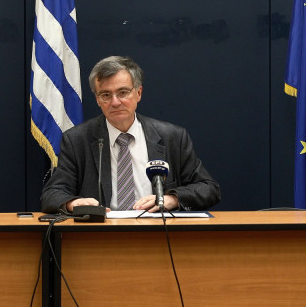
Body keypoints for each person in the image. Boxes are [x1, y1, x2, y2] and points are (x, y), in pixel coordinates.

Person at [41, 56, 221, 213]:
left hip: (158, 231)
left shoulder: (172, 137)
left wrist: (171, 199)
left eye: (123, 92)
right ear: (97, 100)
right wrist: (73, 203)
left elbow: (209, 189)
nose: (115, 102)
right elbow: (52, 194)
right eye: (106, 95)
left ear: (138, 93)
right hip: (101, 234)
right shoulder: (77, 140)